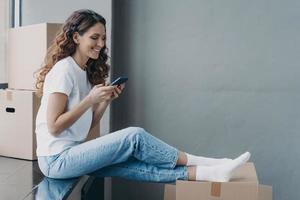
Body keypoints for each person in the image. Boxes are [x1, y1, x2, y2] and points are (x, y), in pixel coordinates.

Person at [35, 9, 250, 183]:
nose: (101, 44)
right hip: (56, 160)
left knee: (132, 165)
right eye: (94, 37)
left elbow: (86, 126)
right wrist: (89, 100)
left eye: (103, 38)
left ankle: (209, 173)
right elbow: (54, 126)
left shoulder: (82, 72)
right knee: (134, 137)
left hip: (72, 153)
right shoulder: (64, 71)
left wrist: (103, 102)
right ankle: (211, 163)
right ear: (76, 37)